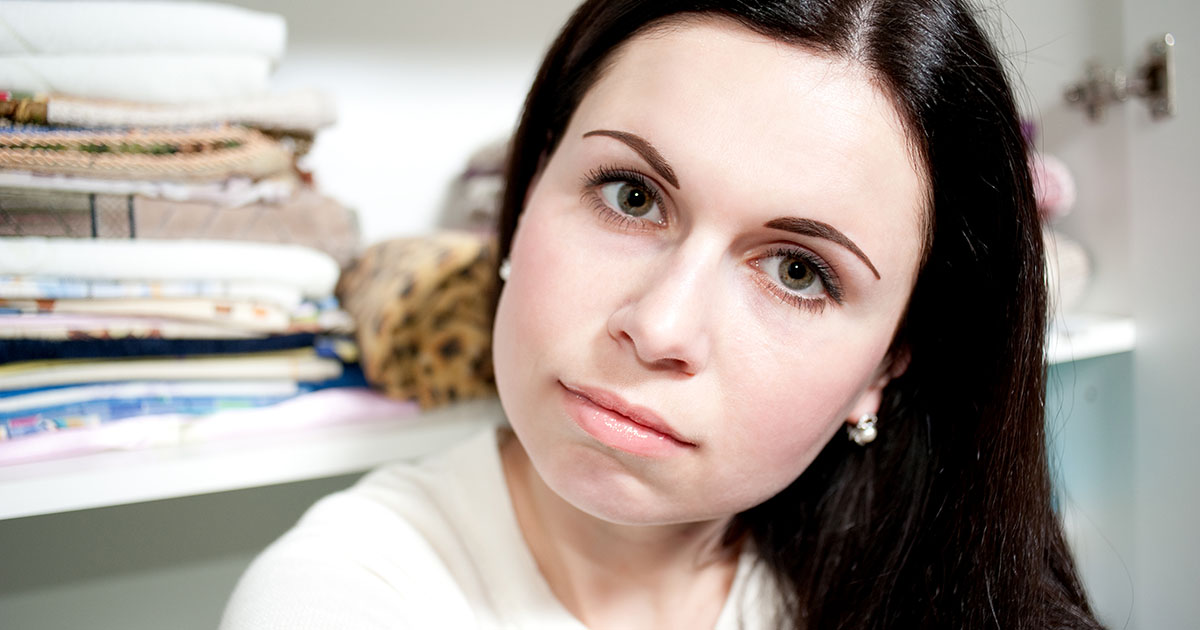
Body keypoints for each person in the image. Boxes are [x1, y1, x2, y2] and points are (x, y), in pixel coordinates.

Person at [221, 1, 1107, 628]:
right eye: (632, 195)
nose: (659, 328)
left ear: (888, 363)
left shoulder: (951, 590)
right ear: (526, 196)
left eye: (798, 271)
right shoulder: (343, 592)